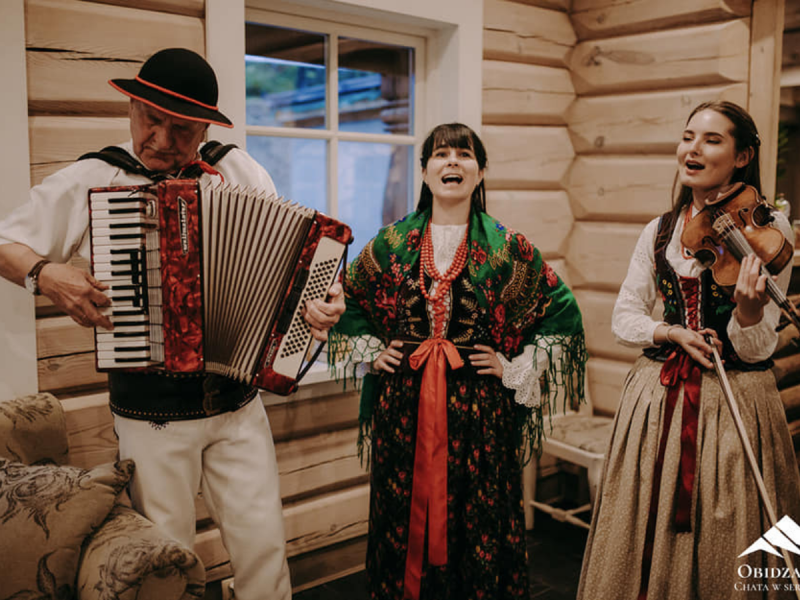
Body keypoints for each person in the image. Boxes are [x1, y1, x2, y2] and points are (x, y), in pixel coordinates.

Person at [0, 48, 345, 600]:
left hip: (237, 402)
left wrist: (320, 301)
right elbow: (4, 243)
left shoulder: (239, 170)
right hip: (151, 410)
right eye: (149, 119)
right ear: (131, 108)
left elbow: (290, 269)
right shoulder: (95, 177)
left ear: (206, 127)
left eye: (181, 129)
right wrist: (46, 275)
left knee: (264, 551)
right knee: (165, 558)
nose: (160, 140)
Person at [329, 123, 586, 600]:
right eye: (441, 154)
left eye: (464, 154)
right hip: (404, 409)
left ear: (480, 171)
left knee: (479, 518)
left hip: (479, 412)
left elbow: (561, 313)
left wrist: (513, 366)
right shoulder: (390, 243)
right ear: (424, 171)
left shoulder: (508, 247)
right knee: (401, 513)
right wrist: (371, 351)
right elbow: (348, 300)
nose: (452, 162)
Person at [577, 101, 800, 599]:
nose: (692, 149)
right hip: (657, 398)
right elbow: (625, 316)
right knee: (642, 518)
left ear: (742, 157)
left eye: (711, 140)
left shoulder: (770, 230)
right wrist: (671, 332)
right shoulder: (660, 229)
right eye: (687, 137)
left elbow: (757, 346)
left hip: (735, 399)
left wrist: (747, 313)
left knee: (727, 529)